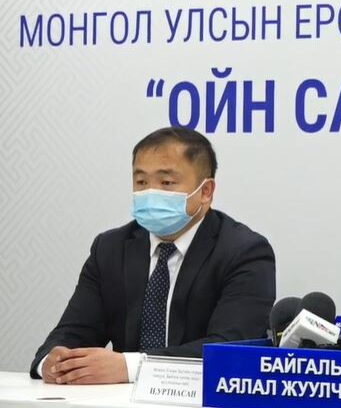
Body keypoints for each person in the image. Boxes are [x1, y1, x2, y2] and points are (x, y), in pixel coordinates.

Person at [30, 127, 276, 384]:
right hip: (118, 400)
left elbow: (231, 349)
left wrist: (130, 367)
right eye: (141, 182)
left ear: (206, 191)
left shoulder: (245, 252)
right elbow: (73, 332)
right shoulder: (110, 248)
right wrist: (52, 362)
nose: (150, 193)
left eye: (166, 183)